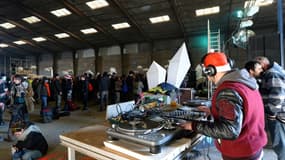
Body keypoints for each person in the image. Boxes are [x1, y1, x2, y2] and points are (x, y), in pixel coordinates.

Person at [180, 52, 267, 160]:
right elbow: (243, 110)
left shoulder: (228, 90)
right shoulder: (244, 82)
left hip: (240, 153)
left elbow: (229, 131)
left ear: (209, 71)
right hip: (252, 146)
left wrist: (193, 126)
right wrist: (214, 111)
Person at [255, 56, 285, 160]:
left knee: (280, 144)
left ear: (262, 64)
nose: (256, 69)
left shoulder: (272, 74)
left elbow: (278, 96)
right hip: (279, 115)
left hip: (278, 116)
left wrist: (272, 113)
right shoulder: (272, 72)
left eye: (257, 66)